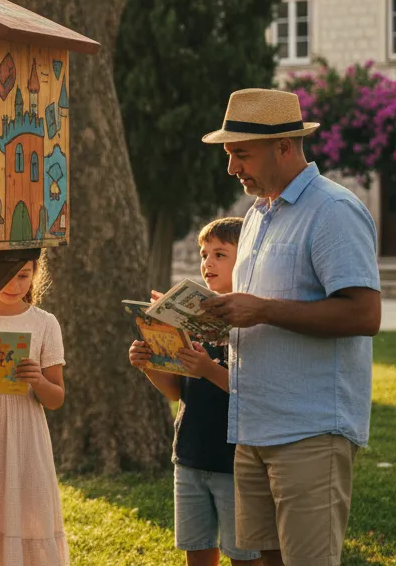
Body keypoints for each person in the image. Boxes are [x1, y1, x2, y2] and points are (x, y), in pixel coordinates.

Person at [200, 88, 382, 566]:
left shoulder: (333, 210)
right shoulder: (257, 215)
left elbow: (364, 315)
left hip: (310, 430)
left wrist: (261, 311)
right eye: (229, 154)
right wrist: (214, 321)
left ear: (283, 146)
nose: (231, 167)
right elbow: (259, 311)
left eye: (241, 154)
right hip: (253, 426)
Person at [129, 218, 261, 566]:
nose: (208, 263)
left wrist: (208, 369)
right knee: (197, 551)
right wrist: (149, 364)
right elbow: (177, 392)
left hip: (235, 462)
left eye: (220, 254)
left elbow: (253, 390)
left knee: (244, 555)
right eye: (204, 255)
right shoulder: (190, 318)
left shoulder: (252, 322)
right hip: (189, 455)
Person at [0, 260, 68, 565]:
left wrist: (38, 380)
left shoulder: (44, 323)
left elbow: (56, 398)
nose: (14, 285)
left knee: (25, 513)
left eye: (23, 276)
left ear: (35, 275)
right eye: (5, 275)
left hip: (23, 436)